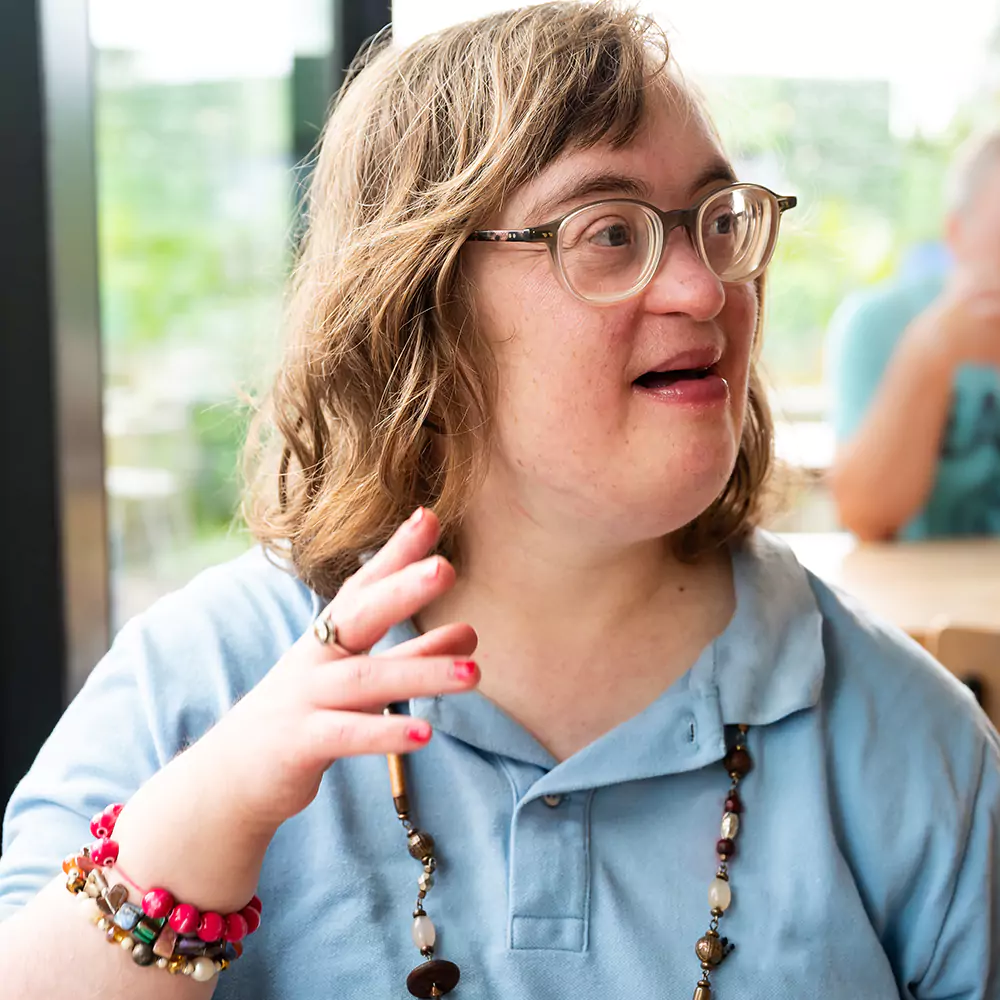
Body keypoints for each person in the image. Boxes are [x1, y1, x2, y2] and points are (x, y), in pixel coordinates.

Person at [1, 4, 997, 999]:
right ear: (417, 307)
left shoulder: (913, 738)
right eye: (609, 232)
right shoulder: (202, 682)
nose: (704, 290)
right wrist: (206, 821)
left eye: (718, 219)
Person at [827, 132, 1000, 540]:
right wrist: (930, 353)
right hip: (919, 595)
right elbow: (866, 516)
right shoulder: (877, 324)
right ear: (957, 234)